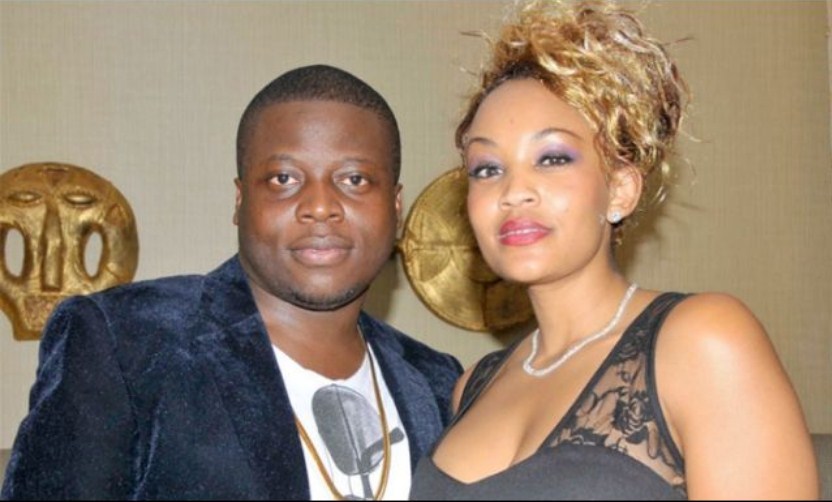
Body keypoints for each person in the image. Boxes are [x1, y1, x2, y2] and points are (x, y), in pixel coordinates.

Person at [410, 0, 818, 499]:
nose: (513, 191)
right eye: (487, 168)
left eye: (552, 158)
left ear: (621, 190)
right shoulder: (471, 386)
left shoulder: (702, 340)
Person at [1, 64, 462, 501]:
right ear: (240, 201)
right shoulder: (124, 342)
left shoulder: (438, 381)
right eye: (284, 179)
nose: (320, 206)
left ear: (395, 206)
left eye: (355, 179)